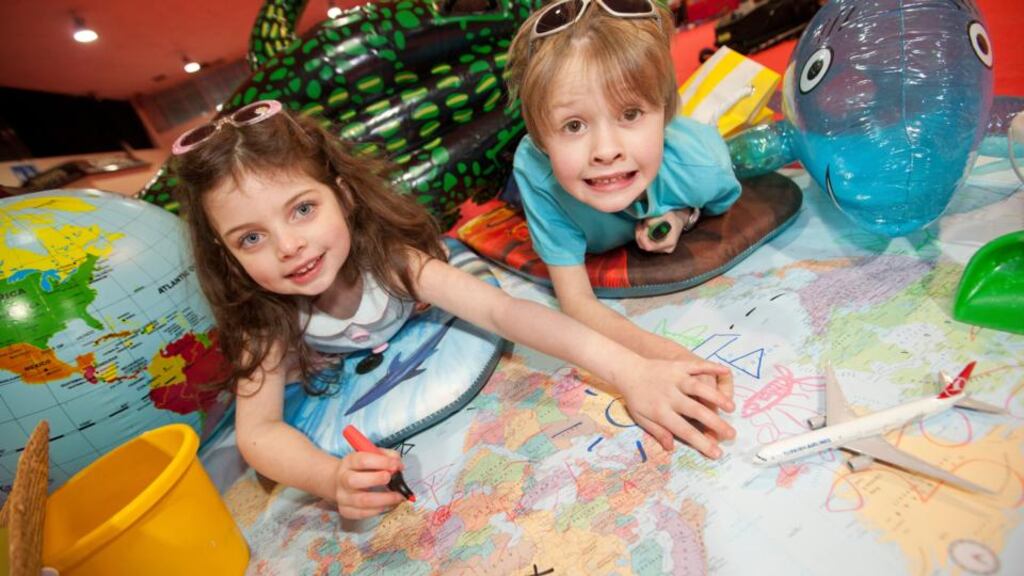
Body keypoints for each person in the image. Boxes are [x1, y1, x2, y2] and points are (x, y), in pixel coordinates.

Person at [170, 99, 734, 520]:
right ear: (224, 251)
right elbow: (259, 432)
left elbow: (507, 314)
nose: (287, 247)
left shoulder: (390, 262)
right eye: (250, 239)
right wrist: (327, 476)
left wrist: (632, 370)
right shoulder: (260, 318)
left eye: (302, 209)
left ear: (341, 196)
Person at [504, 0, 742, 399]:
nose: (606, 150)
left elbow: (720, 200)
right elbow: (576, 300)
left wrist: (682, 215)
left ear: (664, 113)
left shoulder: (703, 166)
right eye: (574, 125)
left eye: (630, 114)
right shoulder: (536, 169)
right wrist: (664, 355)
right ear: (542, 139)